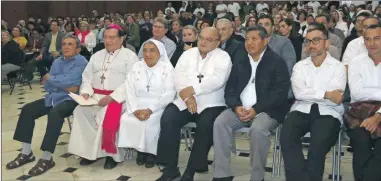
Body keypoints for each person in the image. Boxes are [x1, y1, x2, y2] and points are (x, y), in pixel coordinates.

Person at [213, 25, 290, 181]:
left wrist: (256, 109)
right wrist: (236, 106)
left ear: (265, 41)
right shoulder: (240, 60)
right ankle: (221, 175)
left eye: (254, 39)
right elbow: (230, 90)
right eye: (247, 39)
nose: (249, 43)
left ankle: (257, 177)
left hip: (267, 111)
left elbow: (279, 94)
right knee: (220, 122)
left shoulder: (277, 62)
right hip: (240, 109)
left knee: (258, 130)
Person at [155, 27, 232, 181]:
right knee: (168, 117)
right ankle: (170, 168)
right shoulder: (188, 54)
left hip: (212, 102)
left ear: (218, 42)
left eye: (208, 39)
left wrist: (192, 90)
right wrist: (186, 96)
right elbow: (177, 76)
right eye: (201, 37)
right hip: (185, 101)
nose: (203, 42)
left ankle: (191, 170)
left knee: (206, 125)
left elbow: (218, 80)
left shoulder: (223, 57)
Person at [5, 35, 88, 176]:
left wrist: (52, 79)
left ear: (78, 48)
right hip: (53, 96)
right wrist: (60, 84)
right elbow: (49, 84)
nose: (66, 47)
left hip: (71, 99)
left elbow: (69, 82)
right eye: (64, 44)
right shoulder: (57, 61)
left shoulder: (82, 62)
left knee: (55, 113)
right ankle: (26, 153)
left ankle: (47, 158)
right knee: (27, 109)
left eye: (70, 44)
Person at [67, 24, 139, 170]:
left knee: (106, 114)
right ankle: (89, 152)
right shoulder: (96, 55)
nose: (108, 41)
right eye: (105, 37)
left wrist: (113, 97)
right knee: (80, 112)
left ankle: (111, 155)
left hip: (118, 98)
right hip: (95, 96)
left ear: (121, 38)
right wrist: (86, 92)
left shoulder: (130, 57)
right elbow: (86, 77)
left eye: (112, 37)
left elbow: (131, 81)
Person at [280, 24, 346, 181]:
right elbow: (299, 93)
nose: (311, 45)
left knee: (317, 146)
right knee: (287, 137)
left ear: (326, 43)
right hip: (301, 110)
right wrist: (325, 93)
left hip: (329, 112)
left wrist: (314, 93)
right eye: (308, 41)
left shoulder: (338, 67)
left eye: (316, 40)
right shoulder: (300, 66)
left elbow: (337, 96)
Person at [118, 39, 176, 168]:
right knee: (127, 118)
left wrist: (150, 109)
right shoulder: (137, 66)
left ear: (160, 52)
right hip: (137, 104)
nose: (147, 54)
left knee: (150, 121)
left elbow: (169, 93)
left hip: (159, 105)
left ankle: (151, 153)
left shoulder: (167, 68)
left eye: (152, 50)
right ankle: (140, 150)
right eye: (145, 50)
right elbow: (129, 88)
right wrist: (134, 109)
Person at [346, 24, 381, 181]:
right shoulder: (356, 62)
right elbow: (357, 93)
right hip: (359, 112)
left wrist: (378, 115)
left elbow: (363, 91)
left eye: (377, 38)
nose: (372, 43)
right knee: (361, 143)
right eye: (368, 39)